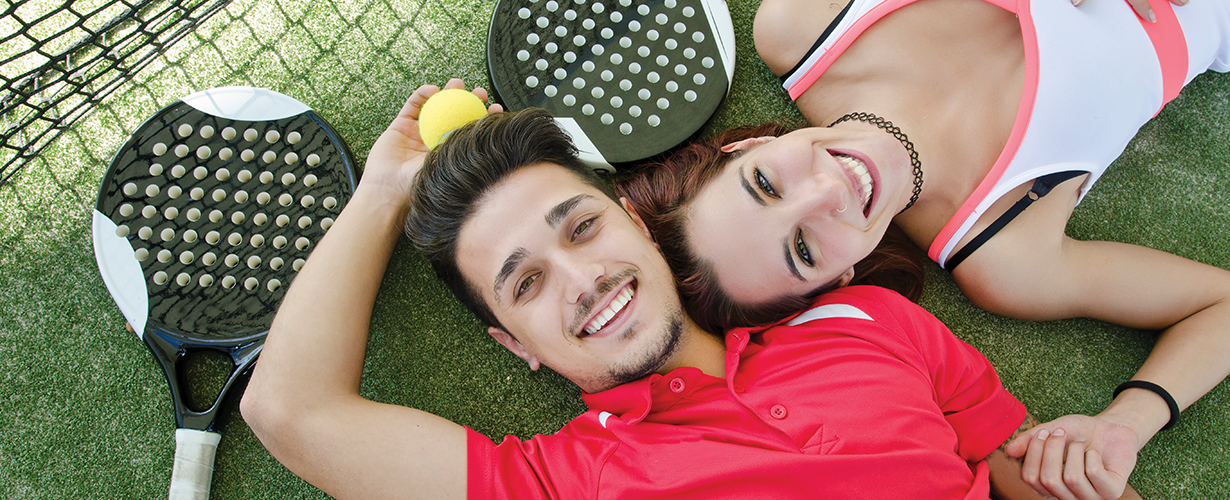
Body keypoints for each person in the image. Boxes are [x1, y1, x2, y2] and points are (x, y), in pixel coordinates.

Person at [238, 81, 1098, 499]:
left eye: (581, 228)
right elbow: (291, 410)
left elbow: (1024, 465)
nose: (584, 280)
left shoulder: (866, 318)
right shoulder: (563, 484)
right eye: (527, 284)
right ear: (514, 345)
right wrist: (385, 190)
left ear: (634, 224)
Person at [614, 0, 1230, 497]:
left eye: (766, 185)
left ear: (740, 150)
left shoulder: (804, 22)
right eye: (803, 250)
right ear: (839, 279)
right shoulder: (1006, 255)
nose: (827, 190)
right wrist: (1127, 423)